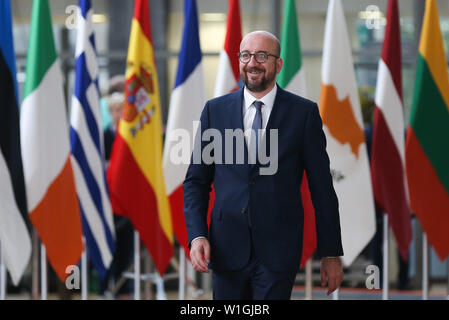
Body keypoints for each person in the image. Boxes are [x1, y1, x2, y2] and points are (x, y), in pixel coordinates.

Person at [183, 30, 344, 300]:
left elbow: (322, 188)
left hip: (278, 251)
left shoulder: (303, 114)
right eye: (245, 55)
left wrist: (330, 252)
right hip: (225, 248)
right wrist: (197, 235)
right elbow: (196, 181)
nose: (252, 62)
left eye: (262, 55)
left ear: (278, 64)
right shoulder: (215, 110)